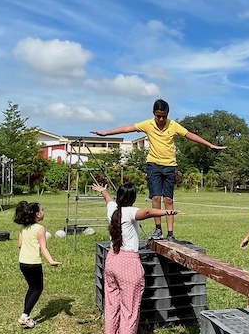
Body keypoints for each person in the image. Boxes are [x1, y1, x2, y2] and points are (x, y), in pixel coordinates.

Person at [91, 99, 225, 242]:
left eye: (164, 116)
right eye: (158, 116)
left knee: (168, 199)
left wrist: (210, 145)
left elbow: (190, 135)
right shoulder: (148, 124)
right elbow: (127, 128)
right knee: (155, 197)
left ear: (168, 114)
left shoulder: (173, 125)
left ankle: (170, 233)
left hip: (170, 166)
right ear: (153, 114)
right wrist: (105, 134)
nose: (161, 119)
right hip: (153, 165)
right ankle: (158, 229)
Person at [92, 182, 180, 334]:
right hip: (128, 264)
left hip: (112, 261)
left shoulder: (113, 210)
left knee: (112, 306)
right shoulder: (130, 212)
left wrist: (103, 191)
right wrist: (167, 212)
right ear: (132, 199)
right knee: (129, 311)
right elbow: (147, 213)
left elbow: (108, 200)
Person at [13, 201, 61, 328]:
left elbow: (19, 244)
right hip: (33, 263)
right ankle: (25, 315)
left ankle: (26, 314)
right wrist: (51, 261)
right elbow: (43, 248)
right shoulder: (40, 229)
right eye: (43, 210)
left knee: (31, 288)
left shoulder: (23, 228)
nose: (44, 212)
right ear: (38, 214)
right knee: (38, 289)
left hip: (23, 262)